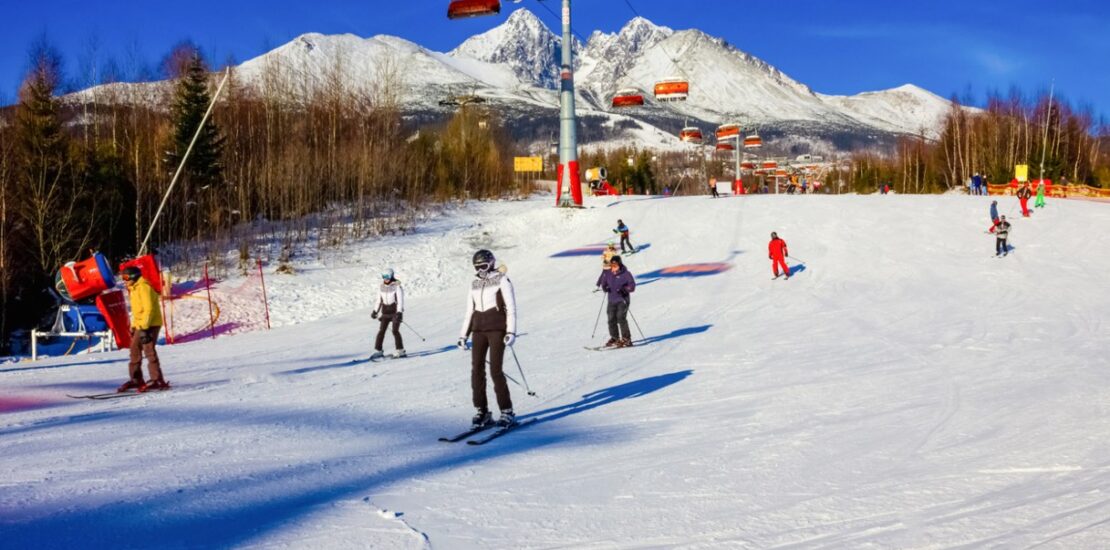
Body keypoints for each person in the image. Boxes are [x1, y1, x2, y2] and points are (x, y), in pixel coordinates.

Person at [458, 249, 517, 429]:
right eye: (477, 267)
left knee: (496, 371)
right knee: (476, 370)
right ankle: (482, 411)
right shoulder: (474, 283)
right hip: (478, 330)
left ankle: (507, 411)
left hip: (497, 330)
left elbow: (511, 307)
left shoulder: (502, 279)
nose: (481, 270)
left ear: (491, 263)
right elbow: (470, 311)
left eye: (484, 266)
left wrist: (511, 332)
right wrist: (463, 335)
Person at [118, 266, 168, 393]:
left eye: (126, 277)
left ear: (133, 276)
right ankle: (136, 379)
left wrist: (145, 328)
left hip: (150, 324)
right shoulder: (134, 289)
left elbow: (149, 309)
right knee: (134, 350)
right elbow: (137, 311)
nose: (124, 280)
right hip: (141, 324)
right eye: (122, 278)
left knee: (149, 350)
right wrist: (135, 326)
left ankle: (157, 380)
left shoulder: (144, 287)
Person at [596, 255, 636, 347]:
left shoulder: (626, 274)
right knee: (611, 320)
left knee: (621, 318)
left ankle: (626, 339)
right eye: (612, 264)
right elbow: (604, 283)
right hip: (611, 300)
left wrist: (625, 289)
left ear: (619, 264)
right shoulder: (608, 273)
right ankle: (615, 338)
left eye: (615, 264)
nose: (613, 266)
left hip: (622, 300)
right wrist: (605, 287)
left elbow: (632, 286)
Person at [371, 268, 405, 359]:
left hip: (394, 312)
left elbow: (400, 301)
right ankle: (378, 351)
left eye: (387, 276)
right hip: (385, 312)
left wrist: (399, 312)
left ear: (392, 276)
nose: (386, 278)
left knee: (395, 331)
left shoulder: (397, 287)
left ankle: (400, 350)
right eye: (384, 276)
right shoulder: (381, 287)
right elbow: (378, 300)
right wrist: (375, 311)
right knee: (381, 331)